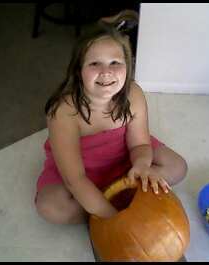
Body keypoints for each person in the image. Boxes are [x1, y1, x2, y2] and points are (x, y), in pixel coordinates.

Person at [35, 23, 188, 224]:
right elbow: (76, 179)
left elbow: (140, 145)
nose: (106, 71)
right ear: (78, 70)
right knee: (52, 207)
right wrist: (114, 218)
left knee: (178, 167)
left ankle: (116, 191)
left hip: (126, 157)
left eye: (115, 62)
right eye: (94, 64)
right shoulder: (63, 111)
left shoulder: (134, 94)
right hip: (81, 170)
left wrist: (142, 166)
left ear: (128, 66)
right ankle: (109, 199)